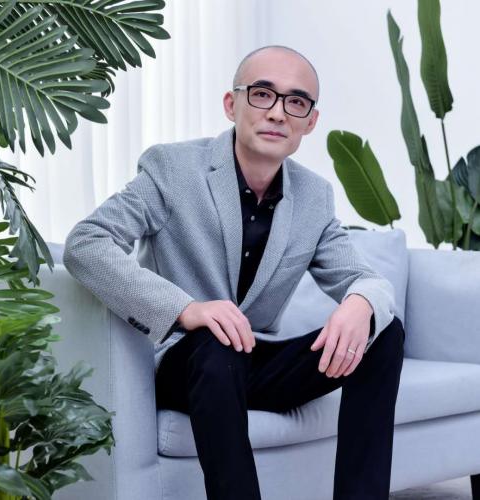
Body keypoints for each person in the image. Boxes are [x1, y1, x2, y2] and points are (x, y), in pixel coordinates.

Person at [63, 44, 405, 500]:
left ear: (309, 121)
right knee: (216, 342)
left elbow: (366, 277)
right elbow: (87, 243)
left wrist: (360, 303)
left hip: (253, 364)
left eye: (296, 102)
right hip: (187, 364)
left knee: (384, 331)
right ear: (232, 104)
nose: (278, 113)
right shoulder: (173, 169)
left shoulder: (314, 196)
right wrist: (186, 309)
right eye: (262, 94)